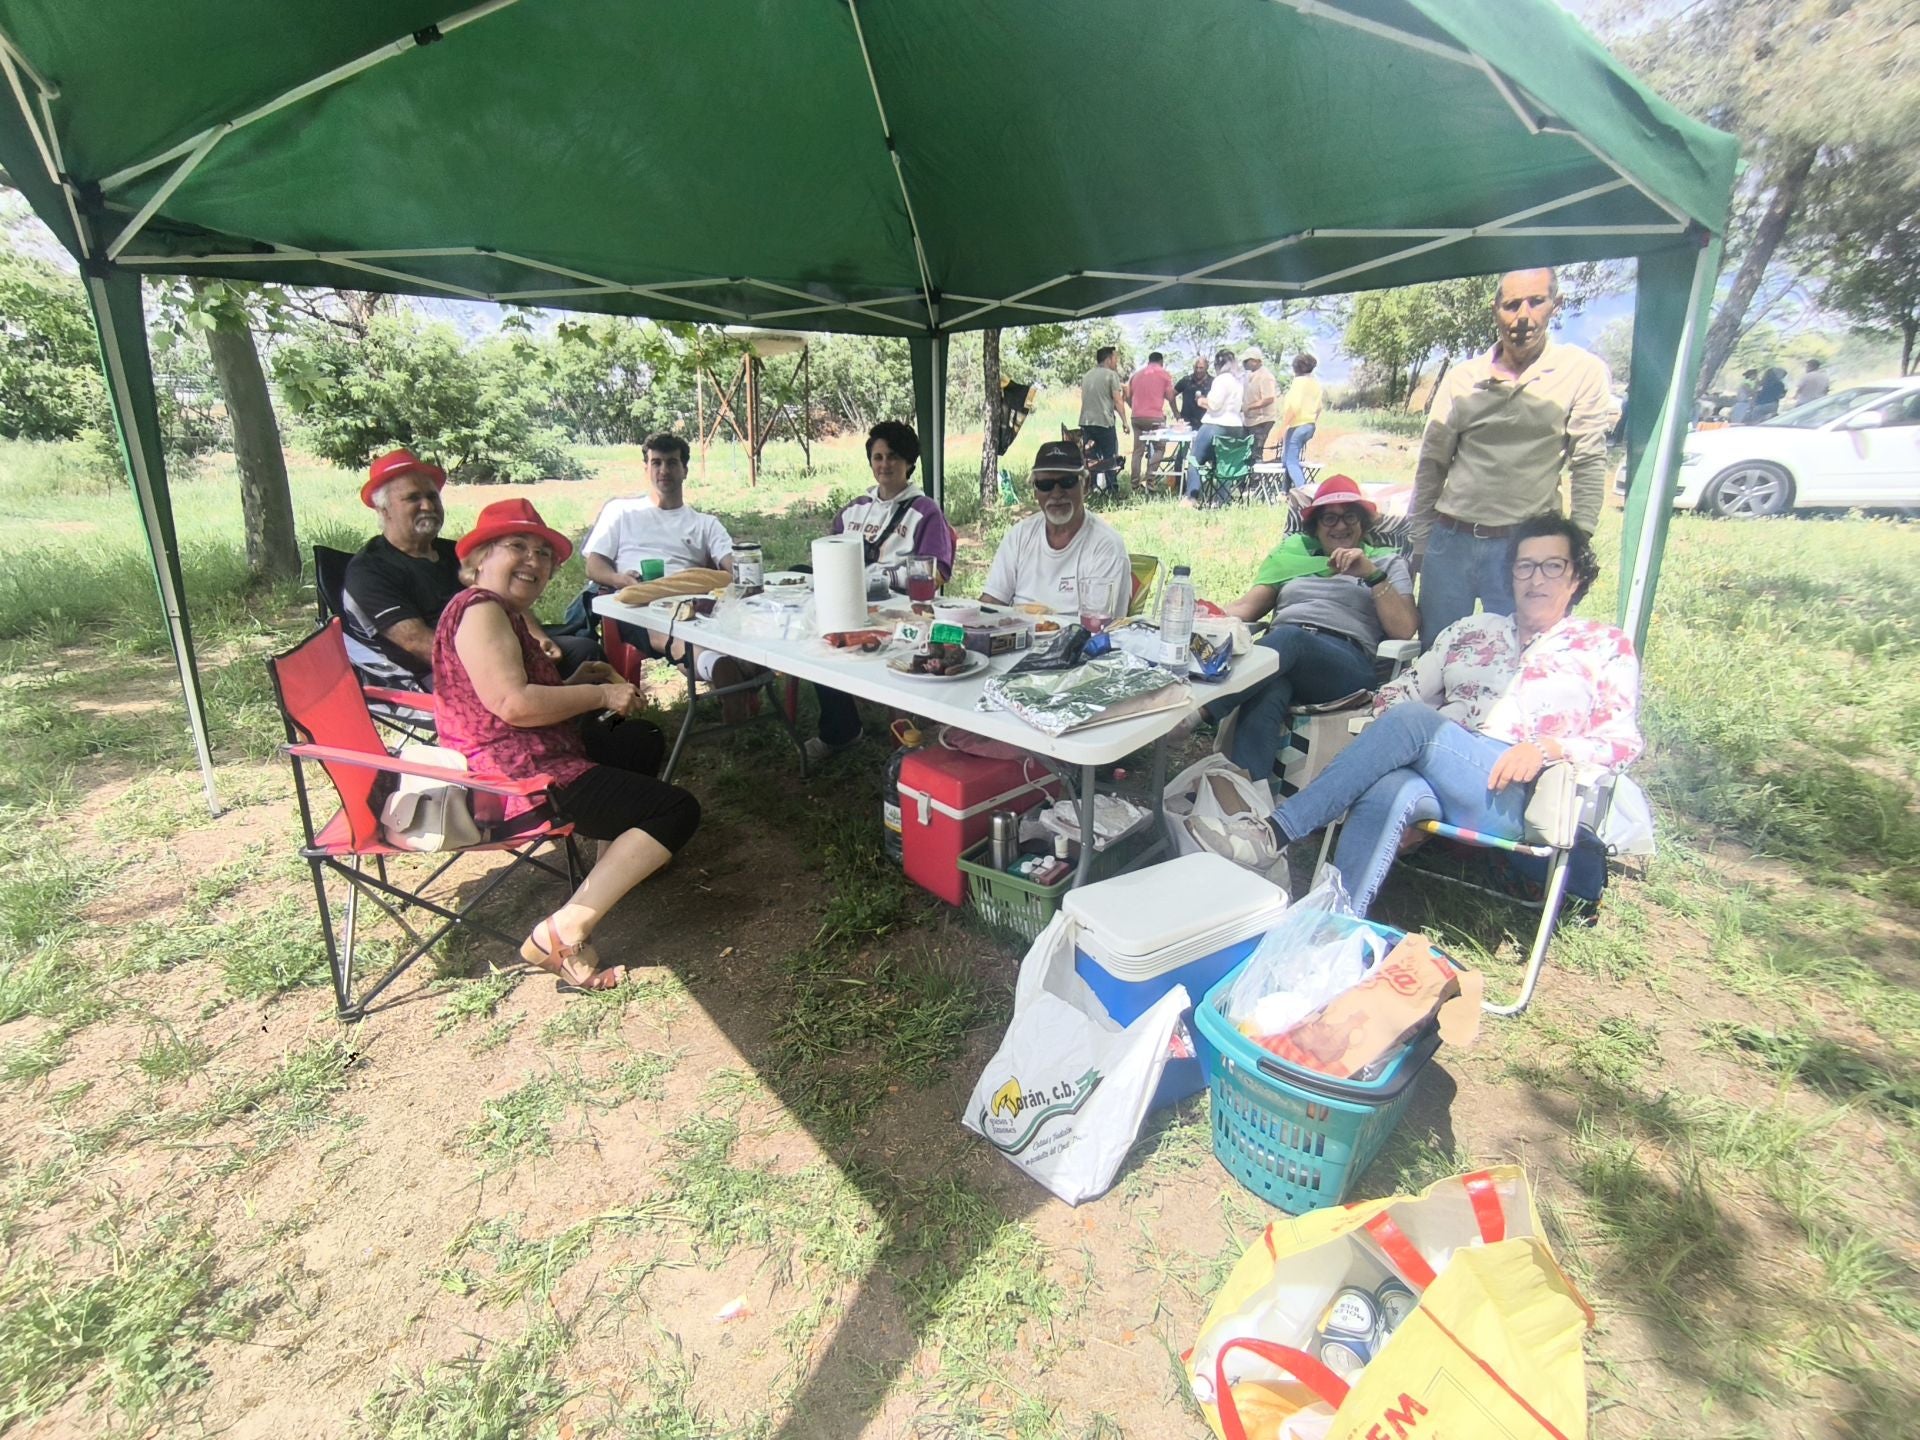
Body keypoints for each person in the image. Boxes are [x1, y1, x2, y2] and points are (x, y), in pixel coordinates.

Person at [1192, 516, 1641, 915]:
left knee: (1416, 723)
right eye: (1524, 566)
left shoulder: (1603, 646)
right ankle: (1330, 926)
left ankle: (1272, 834)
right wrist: (1417, 748)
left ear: (1577, 576)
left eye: (1553, 566)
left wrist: (1548, 748)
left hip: (1515, 789)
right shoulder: (1470, 632)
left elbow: (1622, 742)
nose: (1535, 578)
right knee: (1392, 784)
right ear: (1510, 576)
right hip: (1438, 766)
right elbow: (1395, 694)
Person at [433, 498, 701, 993]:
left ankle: (610, 870)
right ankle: (563, 931)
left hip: (522, 755)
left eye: (543, 553)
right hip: (513, 778)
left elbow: (506, 693)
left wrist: (574, 680)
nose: (533, 561)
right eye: (517, 547)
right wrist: (600, 692)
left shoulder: (496, 612)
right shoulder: (482, 610)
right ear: (480, 559)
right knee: (676, 810)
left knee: (637, 740)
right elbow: (512, 704)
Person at [1408, 267, 1613, 648]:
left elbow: (1588, 459)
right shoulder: (1463, 378)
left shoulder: (1580, 372)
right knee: (1437, 650)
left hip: (1524, 546)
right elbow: (1432, 463)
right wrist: (1418, 543)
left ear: (1556, 304)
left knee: (1521, 653)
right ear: (1495, 310)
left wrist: (1578, 540)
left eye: (1536, 302)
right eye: (1512, 304)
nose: (1523, 316)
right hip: (1451, 540)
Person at [1194, 475, 1417, 779]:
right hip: (1282, 658)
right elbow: (1247, 608)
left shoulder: (1385, 564)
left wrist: (1371, 574)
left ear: (1362, 523)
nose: (1340, 526)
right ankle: (1248, 803)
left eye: (1349, 516)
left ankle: (1199, 712)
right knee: (1270, 687)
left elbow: (1404, 629)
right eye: (1329, 518)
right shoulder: (1292, 559)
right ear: (1315, 527)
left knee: (1289, 639)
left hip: (1344, 665)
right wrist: (1201, 615)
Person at [343, 447, 594, 690]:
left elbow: (505, 600)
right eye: (413, 498)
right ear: (383, 510)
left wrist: (537, 638)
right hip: (436, 671)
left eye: (432, 496)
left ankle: (591, 730)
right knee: (525, 686)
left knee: (584, 652)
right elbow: (418, 643)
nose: (428, 506)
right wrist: (505, 662)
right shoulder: (369, 571)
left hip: (497, 643)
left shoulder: (452, 552)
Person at [809, 421, 959, 759]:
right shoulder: (854, 509)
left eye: (893, 457)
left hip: (902, 610)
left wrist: (879, 579)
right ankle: (841, 730)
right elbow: (829, 554)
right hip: (852, 604)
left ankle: (906, 740)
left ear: (908, 462)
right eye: (877, 457)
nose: (884, 465)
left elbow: (934, 573)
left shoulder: (925, 511)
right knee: (818, 639)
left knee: (850, 636)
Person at [582, 432, 757, 723]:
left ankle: (725, 670)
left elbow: (733, 566)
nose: (664, 470)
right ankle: (727, 672)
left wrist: (743, 572)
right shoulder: (621, 511)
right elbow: (594, 565)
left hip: (692, 599)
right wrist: (618, 579)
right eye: (656, 463)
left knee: (708, 617)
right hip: (637, 603)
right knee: (666, 626)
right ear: (646, 468)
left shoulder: (704, 524)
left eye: (672, 463)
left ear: (685, 470)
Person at [982, 440, 1132, 618]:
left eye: (1067, 482)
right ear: (1035, 491)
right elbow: (991, 602)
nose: (1057, 493)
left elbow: (1098, 627)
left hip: (1079, 643)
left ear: (1085, 485)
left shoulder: (1105, 545)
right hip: (1017, 640)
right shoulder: (1020, 535)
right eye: (1045, 485)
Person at [1184, 347, 1247, 505]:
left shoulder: (1222, 379)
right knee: (1224, 462)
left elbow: (1214, 404)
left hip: (1215, 424)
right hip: (1236, 426)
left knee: (1195, 459)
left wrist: (1201, 400)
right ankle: (1222, 498)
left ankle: (1192, 497)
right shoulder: (1239, 381)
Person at [1077, 345, 1129, 488]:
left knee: (1091, 457)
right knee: (1110, 457)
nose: (1116, 362)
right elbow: (1117, 401)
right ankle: (1112, 488)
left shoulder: (1087, 376)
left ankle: (1092, 487)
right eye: (1115, 358)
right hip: (1104, 423)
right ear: (1108, 359)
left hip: (1086, 422)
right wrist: (1125, 422)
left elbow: (1086, 399)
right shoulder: (1111, 375)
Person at [1126, 350, 1178, 485]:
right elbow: (1171, 397)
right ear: (1161, 362)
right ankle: (1150, 478)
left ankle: (1134, 482)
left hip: (1137, 418)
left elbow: (1127, 396)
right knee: (1160, 447)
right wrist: (1177, 414)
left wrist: (1135, 408)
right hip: (1155, 418)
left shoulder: (1136, 375)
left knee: (1138, 450)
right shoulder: (1164, 375)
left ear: (1148, 362)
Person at [1279, 353, 1324, 491]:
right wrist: (1310, 421)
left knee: (1291, 461)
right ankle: (1285, 491)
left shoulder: (1298, 383)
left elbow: (1294, 406)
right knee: (1288, 458)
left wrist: (1283, 427)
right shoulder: (1315, 384)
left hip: (1296, 425)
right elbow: (1319, 407)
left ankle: (1304, 492)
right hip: (1309, 425)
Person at [1239, 346, 1279, 464]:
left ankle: (1255, 481)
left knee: (1256, 453)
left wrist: (1249, 407)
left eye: (1246, 361)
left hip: (1262, 420)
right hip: (1249, 420)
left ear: (1255, 361)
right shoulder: (1249, 376)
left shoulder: (1266, 376)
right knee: (1245, 451)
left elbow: (1269, 398)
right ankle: (1245, 480)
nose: (1244, 364)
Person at [1173, 355, 1211, 430]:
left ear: (1207, 368)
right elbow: (1171, 395)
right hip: (1186, 424)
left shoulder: (1213, 382)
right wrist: (1176, 414)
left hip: (1206, 424)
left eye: (1201, 368)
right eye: (1196, 367)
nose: (1198, 370)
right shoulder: (1186, 380)